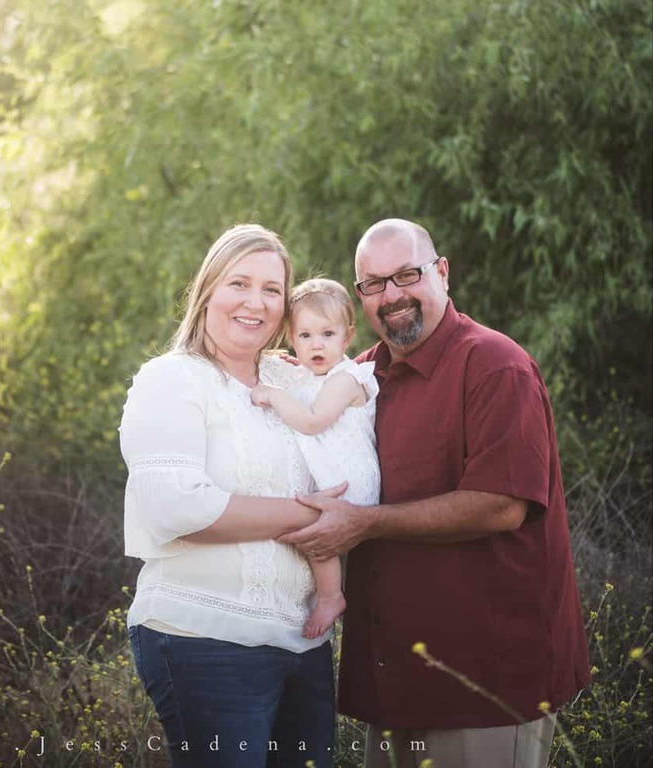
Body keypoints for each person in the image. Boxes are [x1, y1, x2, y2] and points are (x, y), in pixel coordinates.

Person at [280, 219, 591, 768]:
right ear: (359, 300)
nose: (392, 295)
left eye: (407, 275)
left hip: (484, 680)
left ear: (442, 272)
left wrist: (366, 522)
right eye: (375, 284)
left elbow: (500, 505)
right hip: (395, 674)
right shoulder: (360, 376)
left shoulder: (497, 367)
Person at [119, 224, 343, 768]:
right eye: (238, 283)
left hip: (303, 642)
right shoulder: (172, 379)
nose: (255, 302)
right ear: (207, 291)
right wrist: (312, 516)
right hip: (204, 639)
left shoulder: (293, 384)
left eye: (272, 289)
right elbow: (176, 507)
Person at [251, 278, 380, 639]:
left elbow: (312, 421)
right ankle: (323, 594)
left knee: (313, 531)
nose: (316, 344)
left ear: (348, 336)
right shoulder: (313, 376)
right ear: (291, 337)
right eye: (305, 336)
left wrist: (274, 395)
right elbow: (303, 386)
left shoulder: (346, 379)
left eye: (327, 334)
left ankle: (330, 596)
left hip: (349, 484)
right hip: (331, 477)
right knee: (305, 525)